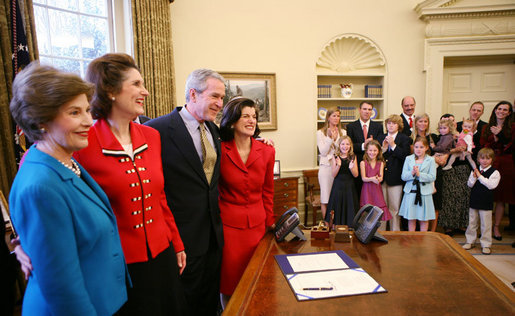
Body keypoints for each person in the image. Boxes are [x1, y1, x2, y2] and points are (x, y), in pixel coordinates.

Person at [8, 62, 128, 315]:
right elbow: (62, 287)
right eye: (74, 113)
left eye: (87, 110)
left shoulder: (63, 159)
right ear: (41, 120)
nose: (88, 120)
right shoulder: (40, 186)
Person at [73, 53, 186, 315]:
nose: (145, 91)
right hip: (117, 263)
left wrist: (177, 243)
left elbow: (160, 197)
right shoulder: (83, 142)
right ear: (111, 91)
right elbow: (43, 169)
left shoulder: (151, 136)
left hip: (162, 254)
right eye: (136, 84)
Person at [145, 69, 226, 315]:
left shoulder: (214, 131)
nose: (220, 104)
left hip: (213, 234)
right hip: (180, 237)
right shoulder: (156, 131)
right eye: (215, 96)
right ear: (193, 94)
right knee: (183, 302)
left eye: (222, 98)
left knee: (209, 300)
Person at [218, 97, 276, 307]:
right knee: (230, 284)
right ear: (233, 121)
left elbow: (268, 190)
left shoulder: (267, 151)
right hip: (229, 229)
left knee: (258, 281)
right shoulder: (219, 150)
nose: (251, 121)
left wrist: (270, 222)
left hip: (258, 229)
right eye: (246, 116)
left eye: (254, 116)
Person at [480, 100, 515, 241]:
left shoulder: (512, 127)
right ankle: (483, 227)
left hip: (506, 163)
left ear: (509, 113)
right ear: (495, 110)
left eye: (505, 109)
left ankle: (496, 227)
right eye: (499, 108)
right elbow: (483, 144)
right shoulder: (487, 127)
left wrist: (500, 135)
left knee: (500, 198)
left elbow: (510, 145)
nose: (501, 111)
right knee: (485, 194)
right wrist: (494, 138)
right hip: (489, 162)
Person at [462, 148, 500, 255]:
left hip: (486, 202)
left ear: (492, 160)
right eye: (482, 158)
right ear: (478, 159)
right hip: (474, 200)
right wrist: (474, 178)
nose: (484, 161)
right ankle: (470, 241)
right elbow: (469, 184)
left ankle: (486, 244)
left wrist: (479, 176)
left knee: (486, 224)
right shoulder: (474, 170)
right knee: (472, 223)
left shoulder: (495, 172)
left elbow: (491, 185)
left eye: (488, 159)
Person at [438, 114, 471, 236]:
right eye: (446, 122)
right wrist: (455, 150)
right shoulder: (441, 136)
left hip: (462, 167)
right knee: (448, 197)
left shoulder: (463, 134)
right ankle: (448, 226)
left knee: (463, 196)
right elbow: (440, 150)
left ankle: (461, 224)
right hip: (448, 169)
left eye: (452, 121)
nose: (450, 123)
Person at [378, 114, 411, 231]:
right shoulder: (381, 137)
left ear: (399, 126)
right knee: (381, 207)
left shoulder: (404, 139)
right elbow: (376, 157)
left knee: (394, 208)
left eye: (394, 123)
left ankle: (395, 232)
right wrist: (384, 149)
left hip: (396, 178)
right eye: (389, 123)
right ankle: (381, 232)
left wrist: (393, 146)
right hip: (382, 178)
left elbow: (405, 157)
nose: (391, 125)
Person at [399, 136, 437, 231]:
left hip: (424, 193)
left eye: (421, 147)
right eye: (416, 147)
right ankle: (412, 239)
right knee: (411, 218)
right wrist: (412, 173)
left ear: (426, 148)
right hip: (411, 192)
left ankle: (423, 239)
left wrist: (420, 175)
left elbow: (432, 176)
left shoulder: (430, 160)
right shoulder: (408, 159)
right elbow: (403, 176)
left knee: (424, 218)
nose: (418, 149)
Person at [346, 101, 384, 194]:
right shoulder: (351, 126)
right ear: (359, 110)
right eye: (364, 109)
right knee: (358, 192)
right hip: (357, 164)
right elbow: (349, 147)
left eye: (369, 109)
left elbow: (379, 146)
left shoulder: (378, 126)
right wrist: (364, 145)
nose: (367, 112)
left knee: (373, 194)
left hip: (373, 166)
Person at [317, 108, 345, 219]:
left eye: (338, 116)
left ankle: (336, 224)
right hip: (326, 168)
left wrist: (335, 141)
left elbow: (343, 150)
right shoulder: (320, 133)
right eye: (334, 116)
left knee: (337, 198)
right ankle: (326, 224)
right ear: (328, 117)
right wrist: (330, 138)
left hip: (338, 167)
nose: (336, 118)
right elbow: (323, 151)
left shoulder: (343, 132)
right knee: (325, 198)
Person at [325, 136, 359, 225]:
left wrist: (351, 168)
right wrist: (338, 165)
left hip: (349, 186)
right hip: (338, 186)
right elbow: (333, 175)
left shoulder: (353, 156)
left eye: (347, 144)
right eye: (343, 144)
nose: (345, 146)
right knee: (337, 207)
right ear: (339, 145)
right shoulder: (335, 157)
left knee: (349, 208)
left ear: (350, 146)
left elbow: (356, 175)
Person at [359, 140, 392, 227]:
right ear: (366, 151)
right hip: (367, 190)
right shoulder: (363, 163)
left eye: (375, 150)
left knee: (378, 206)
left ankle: (378, 229)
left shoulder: (380, 163)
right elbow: (363, 178)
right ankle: (366, 230)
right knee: (367, 208)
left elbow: (381, 177)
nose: (372, 153)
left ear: (378, 151)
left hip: (377, 189)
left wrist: (378, 179)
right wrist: (372, 179)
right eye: (370, 150)